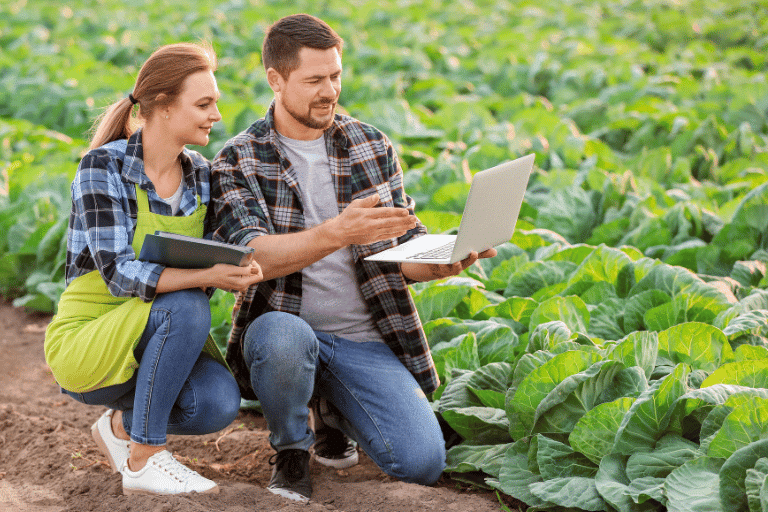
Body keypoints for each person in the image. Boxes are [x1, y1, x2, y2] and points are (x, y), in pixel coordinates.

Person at [210, 14, 497, 502]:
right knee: (282, 338)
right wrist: (337, 232)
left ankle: (332, 410)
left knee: (421, 462)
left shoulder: (371, 144)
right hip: (285, 331)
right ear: (276, 80)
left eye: (336, 75)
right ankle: (292, 449)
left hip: (366, 339)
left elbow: (401, 251)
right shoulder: (239, 158)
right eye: (314, 80)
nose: (330, 90)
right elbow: (252, 256)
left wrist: (443, 259)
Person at [44, 42, 263, 496]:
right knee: (185, 306)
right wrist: (207, 276)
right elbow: (120, 275)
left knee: (217, 402)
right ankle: (145, 460)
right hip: (91, 336)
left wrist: (243, 263)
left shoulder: (201, 174)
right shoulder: (101, 168)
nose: (216, 115)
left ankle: (121, 430)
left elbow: (233, 241)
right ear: (162, 106)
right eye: (204, 104)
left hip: (152, 333)